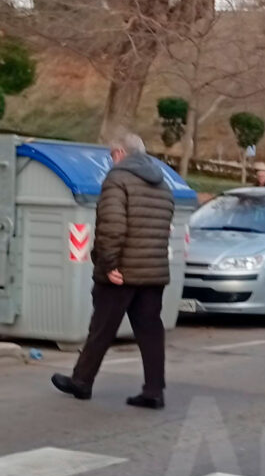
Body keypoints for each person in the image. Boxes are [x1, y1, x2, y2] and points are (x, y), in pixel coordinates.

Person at [53, 132, 175, 409]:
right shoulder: (162, 183)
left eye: (111, 155)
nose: (110, 160)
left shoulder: (117, 179)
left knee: (102, 328)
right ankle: (154, 390)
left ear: (120, 153)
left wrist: (108, 264)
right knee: (150, 331)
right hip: (153, 270)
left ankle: (82, 381)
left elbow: (112, 226)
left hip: (122, 270)